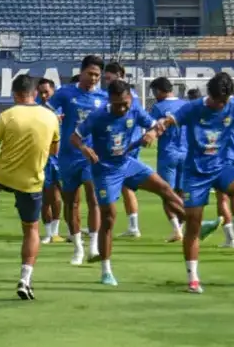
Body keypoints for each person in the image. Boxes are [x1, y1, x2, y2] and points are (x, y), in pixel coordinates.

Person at [153, 72, 234, 294]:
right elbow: (168, 121)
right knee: (193, 226)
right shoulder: (193, 107)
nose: (220, 105)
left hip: (221, 168)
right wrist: (157, 129)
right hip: (195, 173)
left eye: (223, 101)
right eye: (216, 101)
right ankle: (193, 278)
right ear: (208, 95)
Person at [72, 79, 186, 286]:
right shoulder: (98, 117)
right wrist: (84, 149)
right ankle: (106, 270)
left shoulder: (134, 108)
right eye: (118, 104)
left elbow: (155, 126)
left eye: (125, 103)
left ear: (130, 99)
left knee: (164, 188)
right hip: (105, 171)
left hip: (127, 163)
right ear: (110, 101)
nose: (123, 108)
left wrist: (152, 132)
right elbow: (75, 137)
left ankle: (193, 221)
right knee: (109, 217)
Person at [0, 74, 59, 300]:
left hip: (6, 175)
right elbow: (54, 151)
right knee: (31, 230)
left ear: (14, 94)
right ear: (35, 93)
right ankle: (25, 278)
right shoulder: (51, 117)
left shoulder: (7, 115)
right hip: (32, 181)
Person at [43, 55, 107, 266]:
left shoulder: (104, 98)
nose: (94, 78)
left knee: (94, 199)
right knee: (72, 203)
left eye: (97, 75)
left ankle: (94, 246)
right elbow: (45, 110)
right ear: (81, 72)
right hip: (68, 156)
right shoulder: (66, 93)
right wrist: (54, 119)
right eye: (90, 74)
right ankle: (78, 247)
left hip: (93, 156)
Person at [101, 62, 143, 238]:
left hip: (125, 146)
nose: (107, 81)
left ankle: (104, 226)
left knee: (115, 185)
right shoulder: (129, 95)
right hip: (126, 144)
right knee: (126, 187)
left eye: (109, 77)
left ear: (119, 75)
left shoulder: (126, 96)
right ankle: (132, 225)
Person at [149, 77, 189, 242]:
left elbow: (152, 128)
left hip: (168, 154)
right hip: (187, 153)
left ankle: (176, 229)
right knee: (181, 192)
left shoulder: (158, 107)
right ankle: (182, 228)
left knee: (166, 192)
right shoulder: (185, 105)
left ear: (158, 91)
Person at [35, 77, 63, 244]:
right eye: (41, 92)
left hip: (62, 158)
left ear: (53, 91)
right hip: (44, 158)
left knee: (61, 195)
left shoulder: (62, 107)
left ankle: (56, 232)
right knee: (46, 196)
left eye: (47, 92)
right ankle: (47, 233)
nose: (44, 96)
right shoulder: (36, 108)